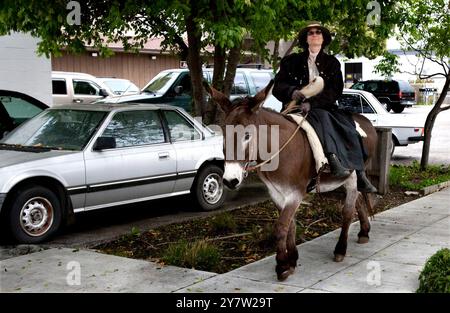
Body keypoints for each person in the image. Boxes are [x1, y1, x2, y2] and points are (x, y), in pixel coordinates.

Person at [273, 21, 377, 193]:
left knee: (349, 127)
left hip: (323, 107)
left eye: (318, 32)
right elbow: (278, 86)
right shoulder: (290, 61)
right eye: (310, 33)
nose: (314, 35)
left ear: (323, 38)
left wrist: (312, 103)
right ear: (306, 39)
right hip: (293, 108)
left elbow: (335, 91)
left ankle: (358, 171)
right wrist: (292, 92)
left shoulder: (332, 63)